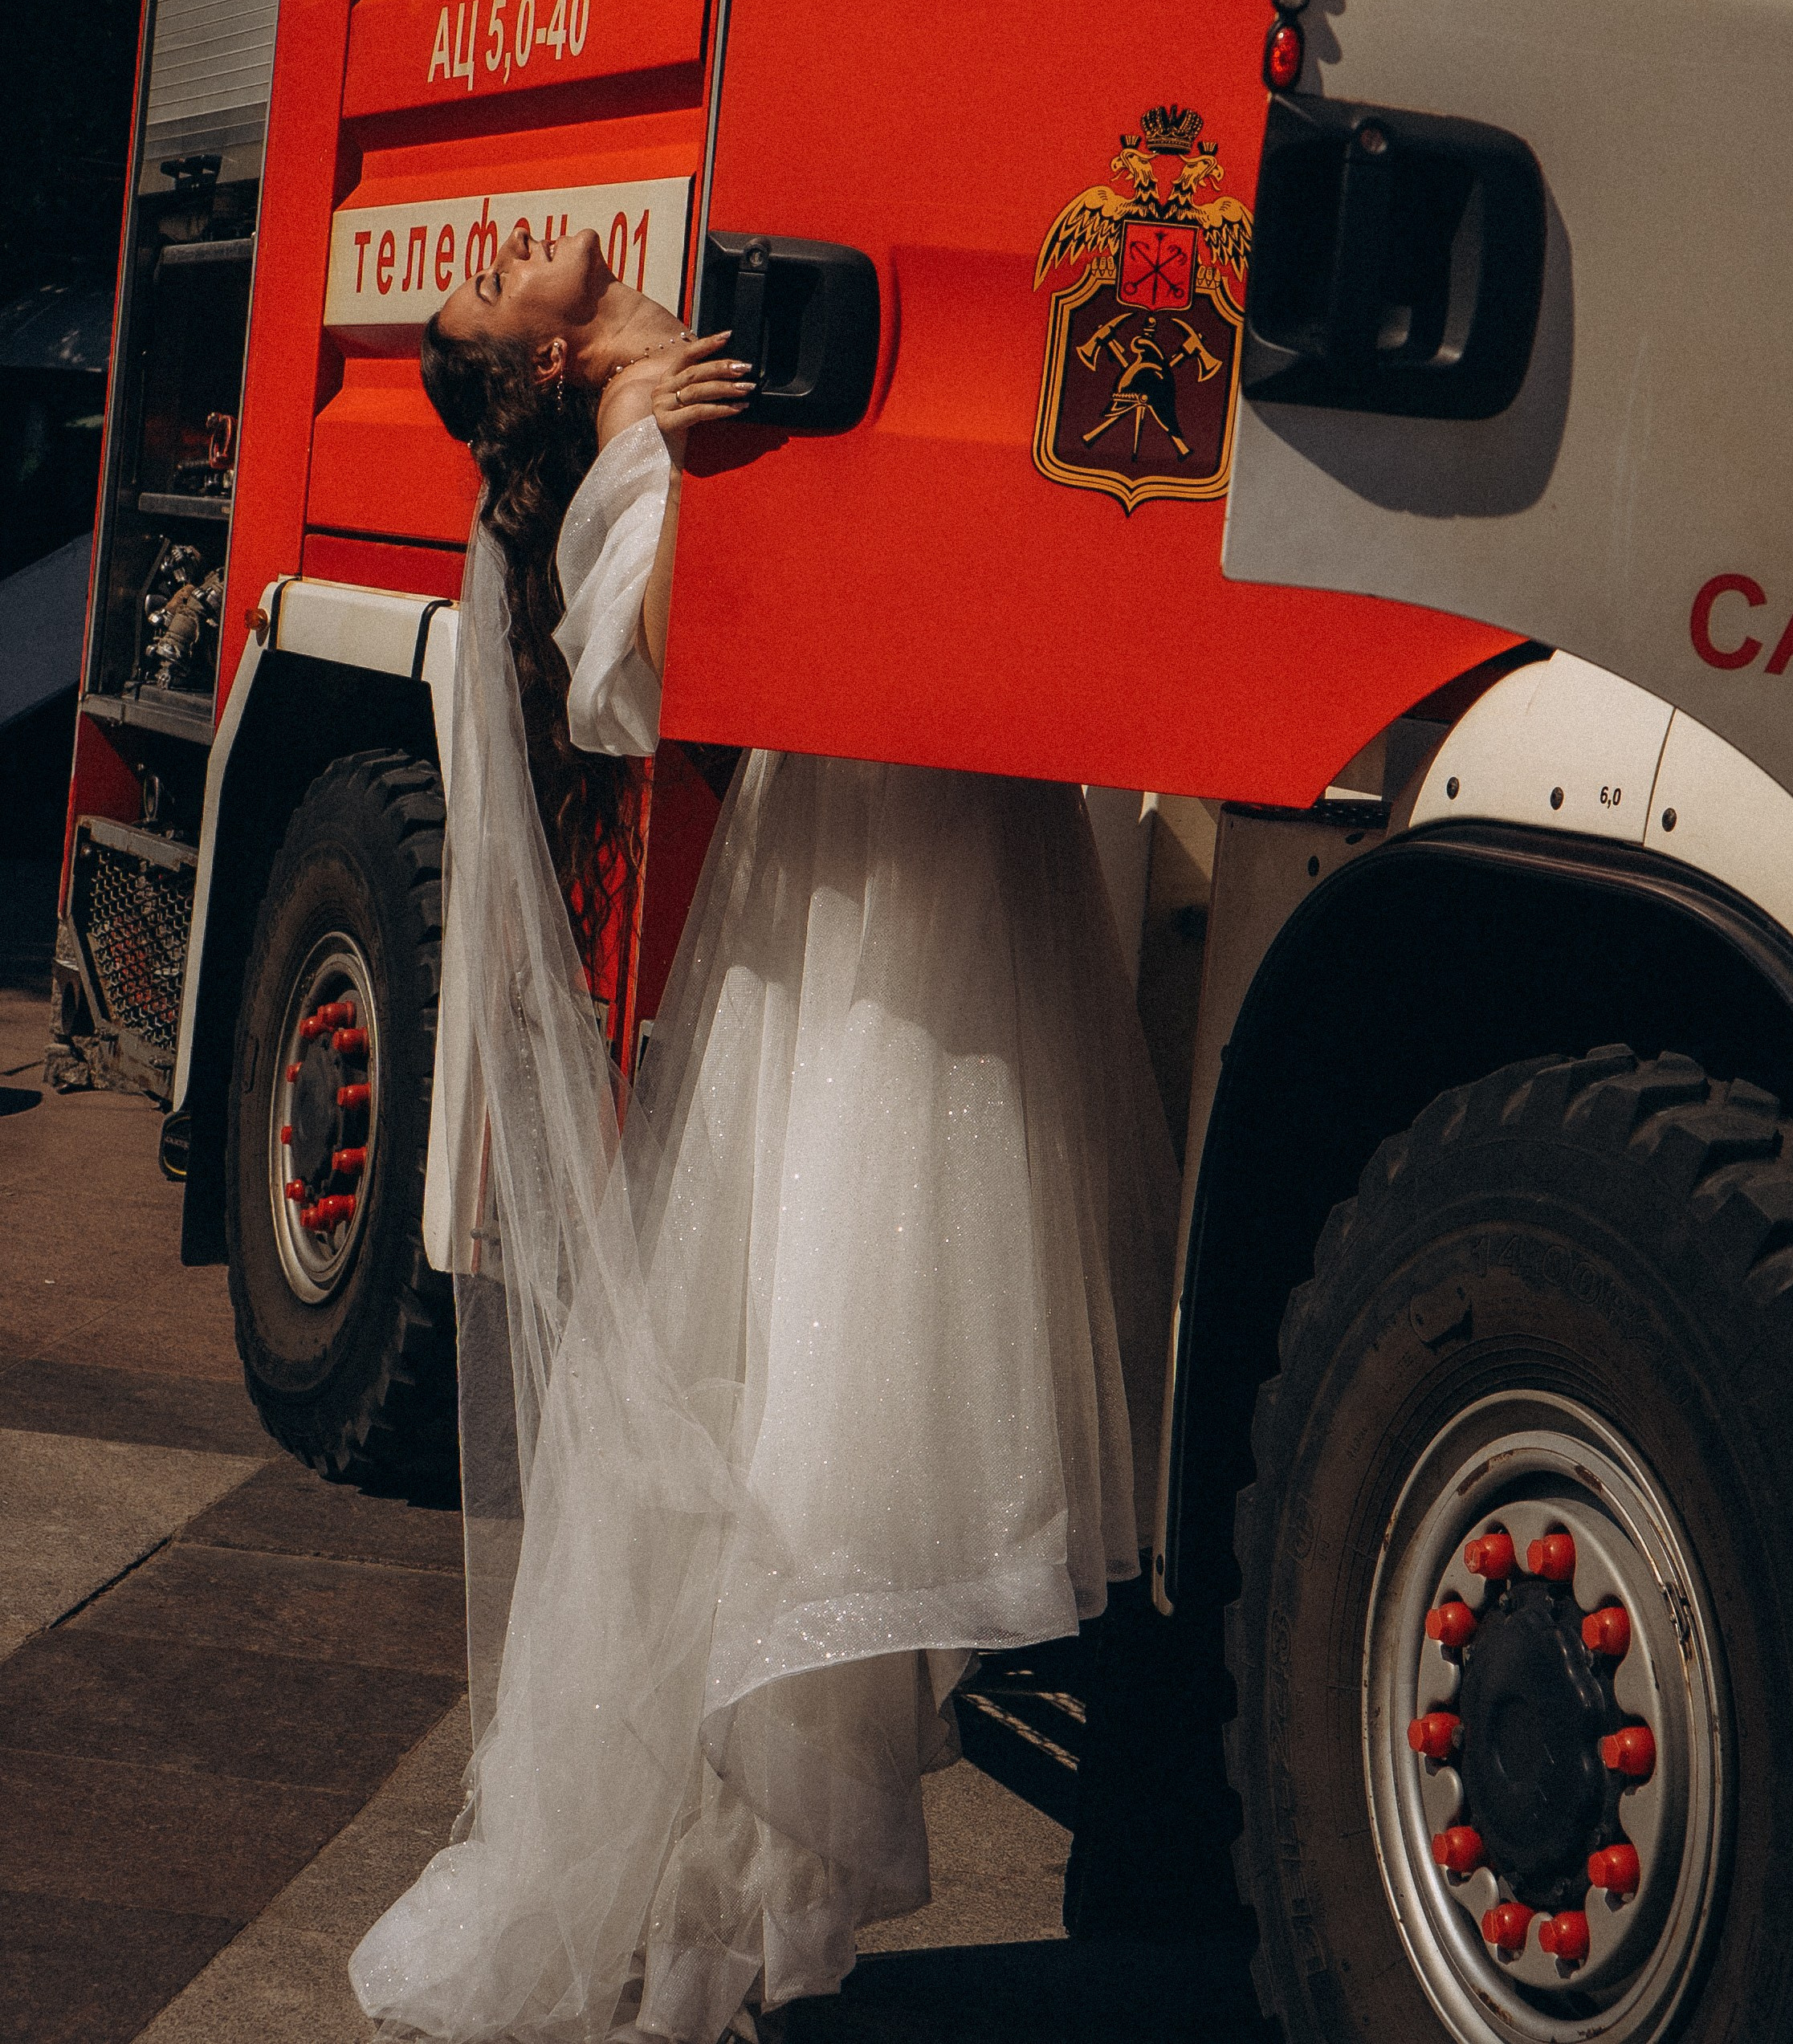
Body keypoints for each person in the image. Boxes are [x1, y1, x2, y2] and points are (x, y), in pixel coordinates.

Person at [350, 221, 1179, 2044]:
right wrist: (674, 464)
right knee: (845, 1372)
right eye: (486, 297)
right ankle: (736, 1901)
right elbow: (627, 679)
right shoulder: (649, 425)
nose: (496, 256)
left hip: (967, 816)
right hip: (874, 875)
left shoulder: (754, 319)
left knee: (899, 1332)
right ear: (550, 369)